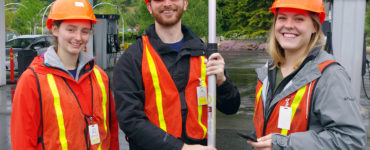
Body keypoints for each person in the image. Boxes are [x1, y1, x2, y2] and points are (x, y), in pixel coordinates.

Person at [113, 0, 241, 149]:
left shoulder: (205, 54)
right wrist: (181, 148)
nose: (167, 3)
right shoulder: (132, 58)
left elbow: (231, 107)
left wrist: (222, 82)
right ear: (149, 7)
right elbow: (130, 120)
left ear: (185, 4)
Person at [248, 0, 367, 149]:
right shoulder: (267, 71)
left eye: (299, 19)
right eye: (282, 18)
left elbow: (351, 141)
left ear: (315, 27)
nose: (289, 25)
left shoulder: (330, 75)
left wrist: (284, 144)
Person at [10, 0, 119, 149]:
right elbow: (23, 141)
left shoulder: (100, 77)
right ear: (55, 29)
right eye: (71, 30)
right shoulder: (32, 81)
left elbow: (111, 131)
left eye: (85, 31)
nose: (78, 37)